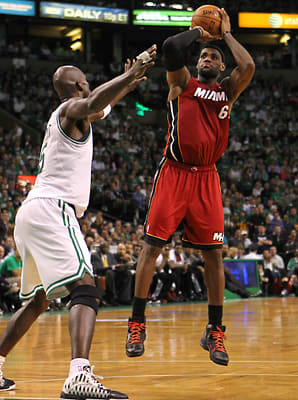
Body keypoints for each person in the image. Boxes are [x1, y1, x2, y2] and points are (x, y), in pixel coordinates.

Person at [0, 43, 157, 399]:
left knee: (39, 299)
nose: (89, 86)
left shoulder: (73, 116)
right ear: (77, 86)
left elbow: (100, 107)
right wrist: (129, 74)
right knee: (86, 285)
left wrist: (126, 83)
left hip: (32, 212)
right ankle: (79, 375)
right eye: (86, 82)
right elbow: (90, 104)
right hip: (52, 208)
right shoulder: (71, 108)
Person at [125, 8, 254, 368]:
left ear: (221, 67)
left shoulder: (228, 90)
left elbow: (249, 68)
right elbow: (170, 46)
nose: (208, 59)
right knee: (151, 249)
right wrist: (199, 33)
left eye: (214, 57)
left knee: (214, 255)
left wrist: (225, 35)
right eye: (204, 56)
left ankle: (214, 330)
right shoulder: (181, 83)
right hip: (175, 173)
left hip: (207, 177)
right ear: (196, 63)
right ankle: (137, 323)